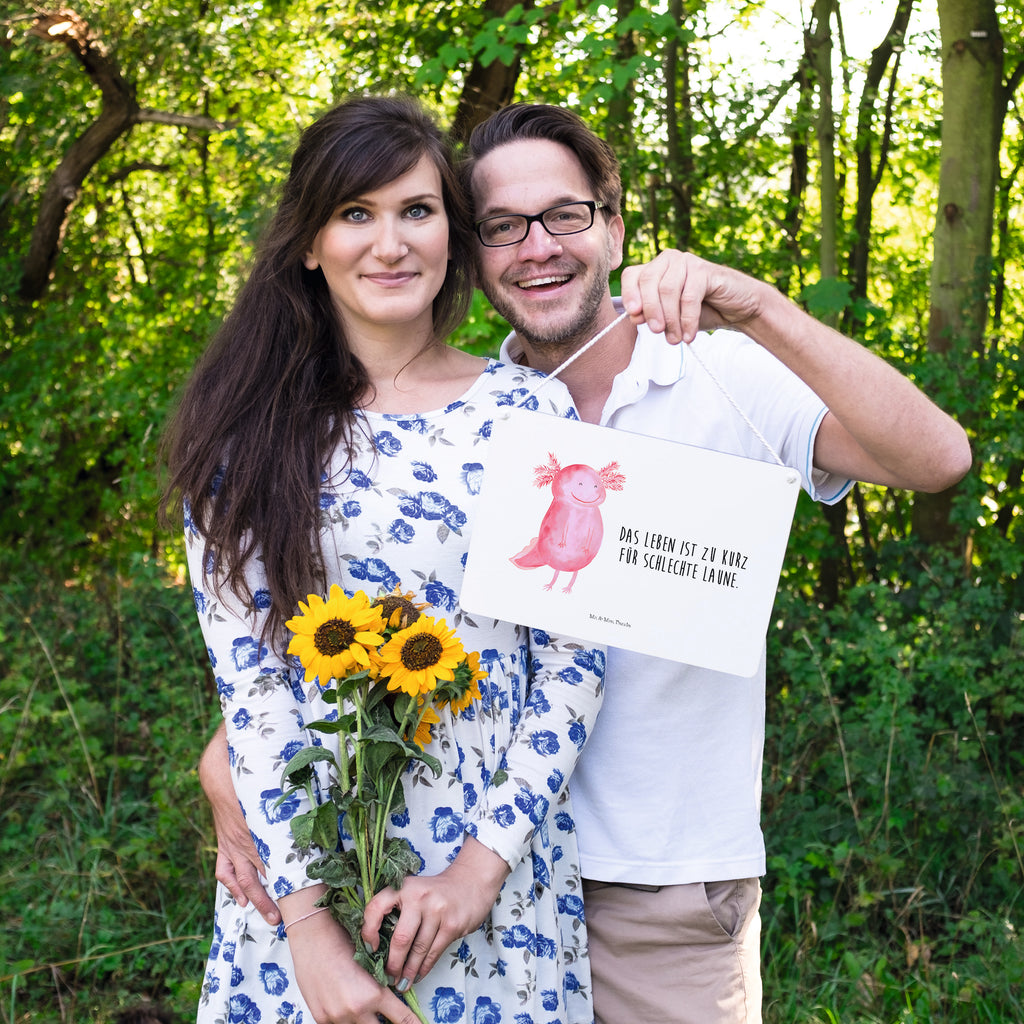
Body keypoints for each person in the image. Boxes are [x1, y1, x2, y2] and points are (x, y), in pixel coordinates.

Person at [202, 102, 972, 1024]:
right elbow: (328, 634)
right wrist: (235, 771)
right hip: (418, 875)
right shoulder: (461, 416)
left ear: (612, 225)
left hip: (650, 888)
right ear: (474, 250)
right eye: (502, 226)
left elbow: (937, 461)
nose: (537, 247)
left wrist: (759, 306)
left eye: (565, 215)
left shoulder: (710, 374)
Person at [163, 96, 608, 1024]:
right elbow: (253, 691)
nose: (391, 243)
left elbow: (574, 661)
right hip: (303, 884)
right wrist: (311, 937)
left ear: (452, 230)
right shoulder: (245, 437)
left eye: (417, 210)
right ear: (309, 243)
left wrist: (479, 873)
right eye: (355, 214)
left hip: (492, 886)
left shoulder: (531, 415)